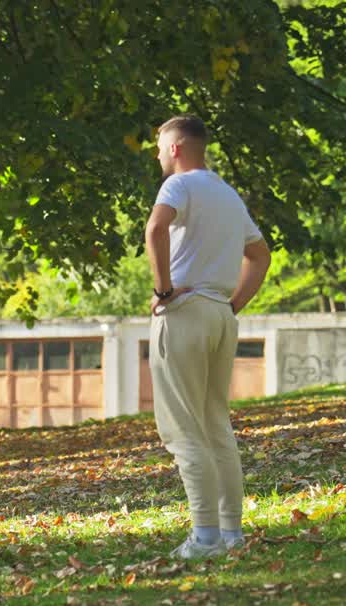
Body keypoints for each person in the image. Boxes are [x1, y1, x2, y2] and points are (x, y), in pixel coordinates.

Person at [144, 115, 271, 560]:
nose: (158, 155)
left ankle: (205, 536)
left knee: (182, 429)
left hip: (184, 313)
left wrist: (162, 291)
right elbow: (259, 254)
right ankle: (231, 534)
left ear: (176, 148)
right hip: (220, 314)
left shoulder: (178, 186)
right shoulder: (227, 194)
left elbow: (155, 229)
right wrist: (232, 303)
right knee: (216, 423)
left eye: (160, 147)